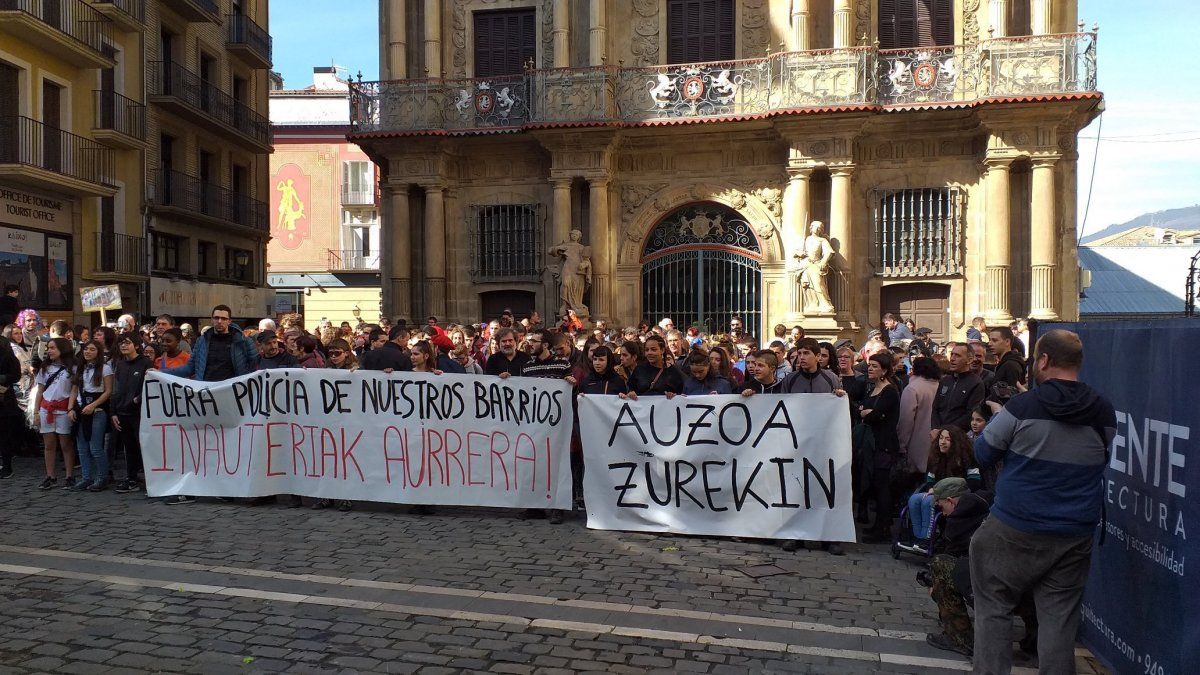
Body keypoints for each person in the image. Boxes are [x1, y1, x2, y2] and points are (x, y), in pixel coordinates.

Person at [970, 329, 1116, 674]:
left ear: (1044, 360)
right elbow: (1101, 456)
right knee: (1059, 620)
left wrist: (994, 419)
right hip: (1074, 531)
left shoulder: (1022, 406)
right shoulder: (1103, 409)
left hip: (1015, 525)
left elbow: (984, 451)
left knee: (994, 606)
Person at [907, 426, 981, 542]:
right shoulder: (935, 457)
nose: (942, 442)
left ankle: (927, 539)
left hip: (954, 496)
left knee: (928, 502)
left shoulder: (967, 458)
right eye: (941, 438)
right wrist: (931, 488)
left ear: (955, 443)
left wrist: (951, 493)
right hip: (936, 492)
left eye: (947, 439)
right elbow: (930, 479)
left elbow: (974, 481)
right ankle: (918, 537)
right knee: (914, 499)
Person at [859, 351, 901, 543]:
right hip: (871, 442)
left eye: (875, 366)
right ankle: (878, 525)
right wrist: (867, 412)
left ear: (884, 370)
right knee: (874, 485)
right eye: (870, 365)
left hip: (884, 444)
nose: (870, 368)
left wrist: (869, 413)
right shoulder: (872, 388)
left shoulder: (889, 390)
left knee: (882, 485)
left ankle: (883, 528)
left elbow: (876, 415)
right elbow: (865, 411)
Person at [163, 305, 257, 383]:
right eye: (216, 318)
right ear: (212, 319)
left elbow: (255, 366)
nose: (219, 321)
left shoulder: (244, 341)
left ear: (229, 321)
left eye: (224, 318)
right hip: (206, 393)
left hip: (234, 393)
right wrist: (161, 373)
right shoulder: (201, 341)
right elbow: (190, 368)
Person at [68, 341, 113, 492]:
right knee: (82, 447)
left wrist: (94, 405)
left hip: (97, 410)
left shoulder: (105, 368)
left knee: (95, 447)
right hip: (81, 408)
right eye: (86, 349)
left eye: (92, 349)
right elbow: (74, 390)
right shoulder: (79, 369)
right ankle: (86, 477)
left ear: (98, 352)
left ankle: (102, 477)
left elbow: (108, 391)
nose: (88, 352)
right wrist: (70, 408)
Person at [33, 337, 77, 490]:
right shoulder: (45, 368)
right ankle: (50, 476)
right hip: (46, 409)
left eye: (52, 348)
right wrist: (36, 412)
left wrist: (71, 408)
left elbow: (73, 389)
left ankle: (69, 475)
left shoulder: (73, 368)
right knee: (49, 444)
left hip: (64, 409)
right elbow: (40, 391)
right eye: (48, 348)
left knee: (66, 444)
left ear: (62, 349)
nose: (49, 351)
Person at [111, 334, 152, 496]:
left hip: (138, 412)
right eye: (121, 343)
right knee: (129, 447)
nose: (123, 346)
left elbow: (149, 385)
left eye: (127, 342)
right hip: (122, 412)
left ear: (136, 345)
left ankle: (150, 478)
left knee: (143, 446)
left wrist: (137, 400)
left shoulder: (145, 363)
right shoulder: (120, 365)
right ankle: (131, 477)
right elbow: (115, 389)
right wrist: (113, 412)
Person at [896, 356, 941, 476]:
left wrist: (902, 445)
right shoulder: (940, 386)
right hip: (938, 441)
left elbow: (906, 419)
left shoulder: (912, 388)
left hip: (916, 444)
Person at [931, 344, 985, 434]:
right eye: (952, 354)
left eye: (957, 355)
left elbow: (970, 414)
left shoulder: (976, 383)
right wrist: (935, 429)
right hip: (939, 435)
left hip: (958, 436)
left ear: (969, 360)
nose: (952, 358)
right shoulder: (945, 380)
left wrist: (948, 431)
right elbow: (935, 408)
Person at [622, 334, 683, 399]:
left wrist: (673, 395)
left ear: (662, 350)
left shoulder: (673, 372)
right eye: (647, 350)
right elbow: (630, 389)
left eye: (653, 350)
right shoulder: (639, 369)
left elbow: (681, 395)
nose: (649, 353)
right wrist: (631, 393)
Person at [0, 333, 24, 478]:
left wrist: (2, 378)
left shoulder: (8, 357)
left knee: (4, 436)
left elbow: (15, 375)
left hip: (4, 400)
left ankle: (7, 466)